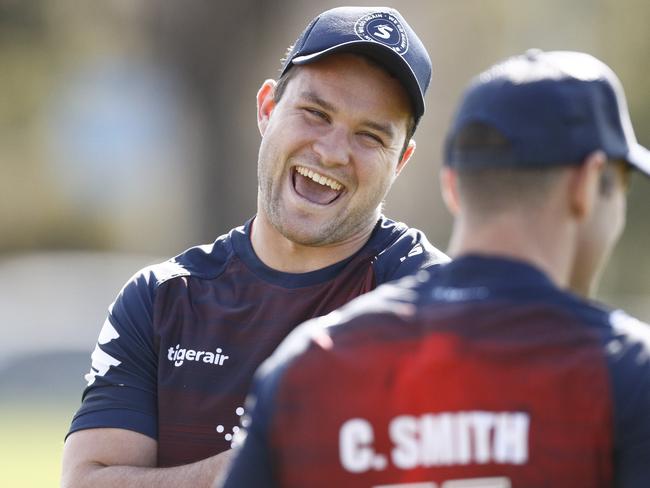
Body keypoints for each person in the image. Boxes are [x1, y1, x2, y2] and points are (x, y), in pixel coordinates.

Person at [221, 49, 650, 488]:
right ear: (586, 185)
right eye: (621, 189)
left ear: (452, 188)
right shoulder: (627, 371)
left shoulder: (308, 364)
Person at [61, 6, 448, 488]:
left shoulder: (435, 301)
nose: (331, 151)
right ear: (267, 108)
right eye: (315, 113)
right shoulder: (162, 299)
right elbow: (90, 480)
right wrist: (257, 462)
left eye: (370, 136)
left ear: (401, 161)